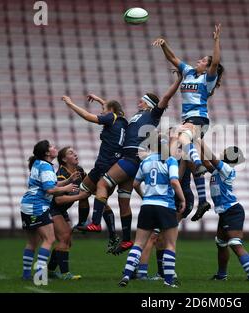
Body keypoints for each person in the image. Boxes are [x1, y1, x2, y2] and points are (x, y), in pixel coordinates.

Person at [77, 70, 183, 256]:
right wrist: (101, 101)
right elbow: (115, 113)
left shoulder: (152, 115)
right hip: (134, 161)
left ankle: (95, 222)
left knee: (101, 183)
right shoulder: (137, 116)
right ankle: (126, 240)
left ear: (149, 104)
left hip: (131, 157)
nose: (138, 102)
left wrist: (179, 80)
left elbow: (166, 97)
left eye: (142, 100)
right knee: (123, 201)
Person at [152, 24, 225, 222]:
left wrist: (216, 40)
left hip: (199, 119)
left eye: (203, 60)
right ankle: (202, 200)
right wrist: (164, 44)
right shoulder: (189, 72)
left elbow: (216, 61)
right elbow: (173, 58)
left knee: (179, 135)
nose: (198, 61)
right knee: (184, 154)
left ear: (207, 66)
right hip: (188, 120)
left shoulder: (208, 79)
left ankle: (200, 164)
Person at [61, 94, 127, 253]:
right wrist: (99, 100)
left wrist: (70, 103)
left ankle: (90, 224)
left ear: (111, 111)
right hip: (108, 166)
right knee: (93, 194)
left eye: (103, 109)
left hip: (105, 166)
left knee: (91, 192)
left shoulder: (111, 117)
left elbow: (87, 116)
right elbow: (111, 106)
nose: (102, 112)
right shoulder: (122, 120)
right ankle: (107, 233)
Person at [118, 134, 185, 288]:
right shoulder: (170, 160)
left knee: (138, 243)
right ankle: (169, 281)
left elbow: (135, 184)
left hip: (147, 205)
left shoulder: (145, 161)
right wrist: (182, 199)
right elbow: (174, 182)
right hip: (165, 206)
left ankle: (127, 276)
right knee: (170, 244)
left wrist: (145, 196)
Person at [20, 140, 78, 280]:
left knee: (32, 242)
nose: (54, 147)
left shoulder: (38, 163)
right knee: (49, 239)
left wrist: (67, 180)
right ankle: (40, 275)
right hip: (37, 205)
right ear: (47, 153)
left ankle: (27, 275)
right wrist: (67, 188)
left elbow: (50, 183)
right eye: (51, 146)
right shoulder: (46, 166)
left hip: (27, 204)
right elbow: (49, 189)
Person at [201, 143, 249, 283]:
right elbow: (205, 161)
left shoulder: (226, 168)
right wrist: (191, 146)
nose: (222, 151)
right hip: (225, 212)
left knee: (234, 243)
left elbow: (210, 157)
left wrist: (198, 139)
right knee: (221, 243)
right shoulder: (218, 170)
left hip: (232, 211)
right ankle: (221, 276)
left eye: (225, 151)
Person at [47, 146, 89, 280]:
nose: (75, 154)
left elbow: (89, 185)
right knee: (64, 237)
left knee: (67, 241)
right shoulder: (61, 174)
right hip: (52, 208)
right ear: (64, 159)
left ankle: (50, 271)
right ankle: (65, 274)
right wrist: (79, 197)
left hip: (62, 210)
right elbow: (58, 200)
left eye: (75, 151)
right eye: (71, 153)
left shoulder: (80, 171)